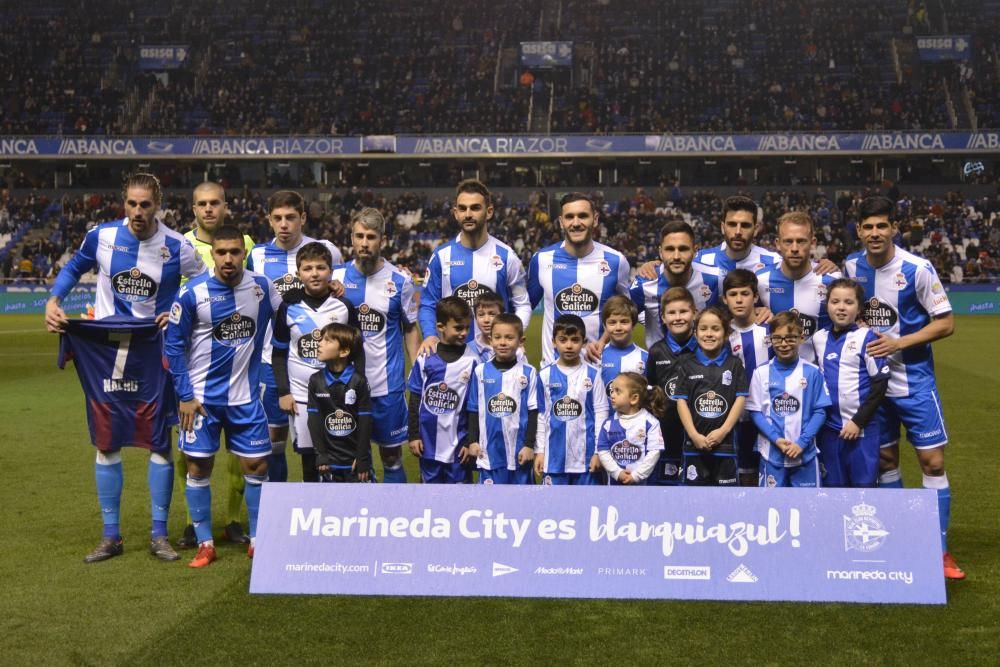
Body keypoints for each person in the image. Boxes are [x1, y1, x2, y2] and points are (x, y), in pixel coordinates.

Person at [46, 172, 205, 564]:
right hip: (107, 351)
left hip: (155, 352)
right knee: (107, 440)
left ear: (158, 205)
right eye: (131, 204)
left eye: (145, 204)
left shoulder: (176, 245)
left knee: (159, 441)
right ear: (124, 202)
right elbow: (73, 267)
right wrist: (54, 299)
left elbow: (201, 284)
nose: (137, 211)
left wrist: (178, 310)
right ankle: (111, 536)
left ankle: (158, 534)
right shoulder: (100, 236)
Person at [843, 196, 962, 579]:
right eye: (868, 227)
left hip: (913, 382)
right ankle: (899, 540)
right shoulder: (849, 266)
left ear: (894, 227)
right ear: (859, 230)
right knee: (886, 462)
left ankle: (939, 551)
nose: (875, 233)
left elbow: (945, 323)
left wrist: (899, 343)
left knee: (933, 462)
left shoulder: (916, 269)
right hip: (871, 386)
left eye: (882, 226)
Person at [164, 225, 283, 567]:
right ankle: (205, 544)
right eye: (221, 252)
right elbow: (173, 346)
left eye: (235, 252)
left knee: (257, 464)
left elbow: (291, 317)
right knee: (199, 466)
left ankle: (259, 540)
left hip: (246, 396)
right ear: (212, 254)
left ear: (243, 254)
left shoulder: (262, 287)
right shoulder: (192, 293)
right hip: (201, 400)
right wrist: (184, 396)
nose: (228, 259)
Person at [177, 180, 256, 548]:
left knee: (239, 454)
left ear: (226, 206)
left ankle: (235, 519)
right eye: (201, 204)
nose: (208, 209)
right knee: (190, 447)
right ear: (193, 209)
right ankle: (197, 522)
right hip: (193, 362)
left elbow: (260, 293)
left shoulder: (248, 244)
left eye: (215, 203)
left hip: (239, 360)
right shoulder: (177, 245)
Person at [247, 190, 343, 484]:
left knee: (326, 434)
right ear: (269, 220)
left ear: (303, 217)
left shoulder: (325, 248)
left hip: (318, 363)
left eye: (290, 217)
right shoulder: (258, 255)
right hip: (271, 358)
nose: (284, 224)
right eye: (278, 218)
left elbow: (341, 283)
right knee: (274, 435)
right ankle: (279, 500)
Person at [332, 208, 419, 484]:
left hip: (387, 387)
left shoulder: (401, 281)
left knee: (391, 457)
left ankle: (395, 519)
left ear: (382, 239)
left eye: (371, 236)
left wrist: (416, 368)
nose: (364, 242)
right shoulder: (336, 278)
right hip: (345, 387)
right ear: (351, 238)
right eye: (359, 236)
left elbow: (409, 328)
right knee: (352, 459)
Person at [272, 242, 359, 483]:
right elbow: (278, 352)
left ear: (331, 271)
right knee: (310, 458)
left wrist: (357, 387)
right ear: (298, 273)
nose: (314, 273)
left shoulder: (344, 307)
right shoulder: (288, 307)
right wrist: (283, 392)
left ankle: (339, 511)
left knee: (342, 456)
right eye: (307, 268)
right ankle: (314, 512)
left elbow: (357, 352)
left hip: (339, 394)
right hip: (301, 396)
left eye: (320, 267)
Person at [417, 179, 531, 356]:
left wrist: (512, 336)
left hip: (496, 357)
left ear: (489, 211)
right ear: (455, 213)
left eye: (475, 208)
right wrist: (430, 335)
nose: (468, 214)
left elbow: (522, 304)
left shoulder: (507, 256)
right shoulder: (441, 256)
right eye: (462, 208)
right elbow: (427, 304)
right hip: (453, 357)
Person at [528, 192, 631, 364]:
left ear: (595, 219)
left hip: (599, 369)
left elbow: (627, 309)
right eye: (569, 217)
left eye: (583, 216)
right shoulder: (541, 259)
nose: (576, 223)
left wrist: (603, 340)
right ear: (561, 222)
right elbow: (524, 307)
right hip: (553, 372)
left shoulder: (616, 261)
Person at [810, 278, 889, 488]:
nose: (841, 308)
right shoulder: (818, 339)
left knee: (864, 493)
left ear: (859, 308)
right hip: (828, 430)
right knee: (832, 492)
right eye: (835, 302)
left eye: (848, 302)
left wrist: (858, 422)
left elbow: (880, 384)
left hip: (861, 430)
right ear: (827, 305)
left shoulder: (868, 338)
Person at [746, 312, 832, 488]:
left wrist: (801, 442)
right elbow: (755, 412)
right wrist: (776, 439)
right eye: (777, 339)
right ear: (770, 340)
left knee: (809, 509)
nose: (784, 344)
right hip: (771, 455)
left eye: (790, 338)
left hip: (804, 455)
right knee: (770, 508)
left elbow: (820, 411)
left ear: (801, 338)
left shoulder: (813, 372)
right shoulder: (761, 373)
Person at [407, 296, 480, 484]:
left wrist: (470, 440)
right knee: (429, 497)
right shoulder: (425, 358)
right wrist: (414, 435)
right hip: (428, 443)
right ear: (440, 327)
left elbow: (475, 406)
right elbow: (415, 398)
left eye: (467, 327)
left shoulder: (473, 361)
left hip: (459, 445)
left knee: (460, 499)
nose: (464, 333)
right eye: (458, 328)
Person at [675, 306, 748, 486]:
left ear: (725, 334)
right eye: (703, 328)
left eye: (715, 329)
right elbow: (681, 402)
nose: (709, 334)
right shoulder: (686, 363)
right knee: (692, 500)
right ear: (695, 333)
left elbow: (740, 399)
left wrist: (723, 431)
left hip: (725, 446)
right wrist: (694, 435)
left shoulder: (734, 364)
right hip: (694, 446)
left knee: (727, 501)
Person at [755, 211, 840, 363]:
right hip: (775, 378)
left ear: (813, 243)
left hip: (819, 377)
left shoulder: (832, 280)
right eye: (788, 241)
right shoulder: (760, 280)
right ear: (777, 244)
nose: (794, 248)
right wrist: (756, 311)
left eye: (801, 241)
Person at [535, 314, 609, 485]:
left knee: (587, 508)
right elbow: (542, 416)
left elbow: (600, 414)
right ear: (554, 342)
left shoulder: (593, 375)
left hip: (586, 459)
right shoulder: (545, 375)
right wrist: (540, 450)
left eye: (575, 340)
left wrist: (598, 452)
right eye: (563, 340)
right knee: (554, 510)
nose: (569, 345)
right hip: (554, 460)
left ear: (584, 342)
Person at [465, 313, 539, 484]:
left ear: (521, 341)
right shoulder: (480, 371)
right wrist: (473, 441)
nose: (503, 342)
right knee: (489, 506)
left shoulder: (529, 372)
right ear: (490, 340)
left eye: (509, 338)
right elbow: (473, 409)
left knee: (522, 507)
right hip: (489, 453)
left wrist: (529, 445)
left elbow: (534, 412)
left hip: (520, 452)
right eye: (498, 337)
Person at [629, 220, 721, 348]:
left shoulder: (716, 278)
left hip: (704, 365)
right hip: (660, 364)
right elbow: (620, 316)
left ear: (695, 251)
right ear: (661, 252)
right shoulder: (644, 285)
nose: (676, 256)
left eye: (683, 249)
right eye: (670, 249)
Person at [722, 269, 773, 486]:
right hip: (735, 417)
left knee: (768, 474)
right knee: (741, 474)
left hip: (768, 416)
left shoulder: (771, 330)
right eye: (733, 294)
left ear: (756, 297)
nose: (739, 300)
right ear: (724, 299)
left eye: (745, 293)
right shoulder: (721, 333)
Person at [645, 286, 699, 485]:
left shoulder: (705, 348)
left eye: (683, 312)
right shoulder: (656, 352)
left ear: (695, 313)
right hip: (666, 436)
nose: (678, 318)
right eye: (672, 313)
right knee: (665, 491)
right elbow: (649, 392)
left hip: (698, 435)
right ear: (663, 317)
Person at [307, 323, 373, 483]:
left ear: (344, 351)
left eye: (328, 341)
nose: (319, 343)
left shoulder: (359, 381)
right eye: (321, 339)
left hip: (355, 463)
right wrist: (321, 454)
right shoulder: (315, 381)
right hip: (328, 464)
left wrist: (362, 457)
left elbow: (365, 422)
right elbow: (314, 420)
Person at [596, 372, 666, 485]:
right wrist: (617, 473)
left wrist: (636, 476)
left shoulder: (651, 423)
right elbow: (603, 451)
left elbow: (654, 452)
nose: (612, 395)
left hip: (642, 488)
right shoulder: (608, 424)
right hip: (614, 487)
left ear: (634, 398)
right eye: (612, 390)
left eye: (618, 391)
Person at [470, 291, 505, 362]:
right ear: (476, 318)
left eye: (492, 314)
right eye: (481, 315)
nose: (486, 320)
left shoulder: (512, 349)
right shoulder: (468, 349)